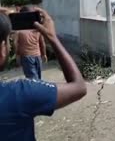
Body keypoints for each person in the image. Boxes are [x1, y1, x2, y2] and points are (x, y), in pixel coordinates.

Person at [0, 7, 87, 141]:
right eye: (7, 42)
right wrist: (52, 38)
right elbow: (79, 87)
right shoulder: (20, 93)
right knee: (35, 81)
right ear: (2, 51)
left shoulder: (34, 33)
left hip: (35, 56)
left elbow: (39, 43)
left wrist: (44, 53)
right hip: (29, 58)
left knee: (37, 80)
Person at [15, 6, 47, 80]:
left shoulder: (20, 30)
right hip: (37, 56)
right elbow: (42, 42)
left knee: (33, 80)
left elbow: (15, 44)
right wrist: (44, 54)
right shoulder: (37, 28)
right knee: (38, 78)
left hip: (26, 57)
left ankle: (37, 91)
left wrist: (17, 55)